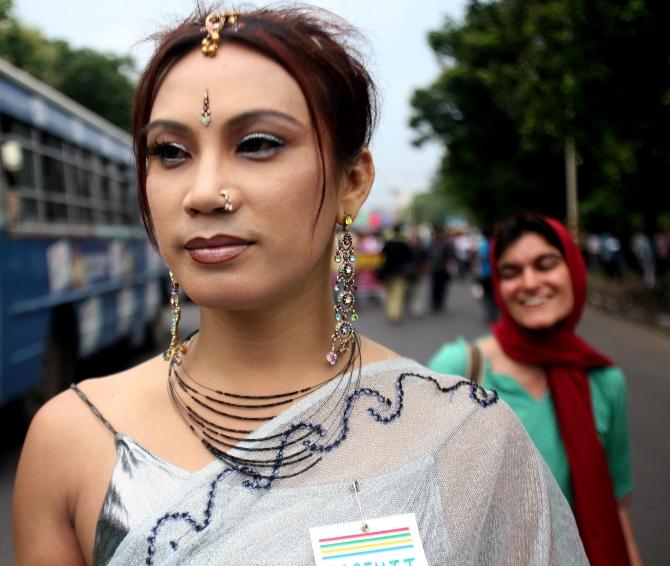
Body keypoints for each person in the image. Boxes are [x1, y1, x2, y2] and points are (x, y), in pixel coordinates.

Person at [14, 9, 587, 565]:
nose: (205, 193)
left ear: (352, 181)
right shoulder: (74, 440)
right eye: (170, 152)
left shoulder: (469, 438)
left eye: (258, 143)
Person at [429, 212, 643, 566]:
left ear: (574, 270)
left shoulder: (604, 381)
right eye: (511, 272)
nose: (529, 282)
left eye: (546, 264)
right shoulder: (460, 371)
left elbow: (614, 507)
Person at [377, 224, 412, 322]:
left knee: (389, 293)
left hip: (387, 272)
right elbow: (409, 258)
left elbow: (381, 256)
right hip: (400, 272)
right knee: (398, 293)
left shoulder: (388, 243)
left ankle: (390, 313)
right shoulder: (404, 244)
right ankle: (395, 314)